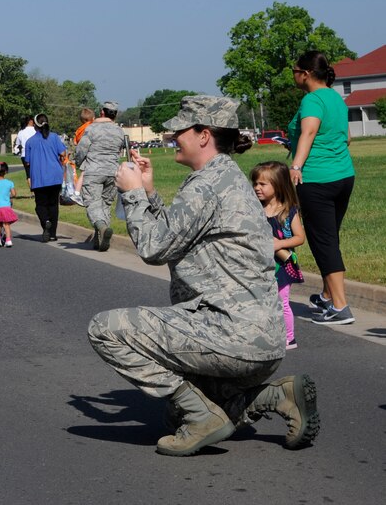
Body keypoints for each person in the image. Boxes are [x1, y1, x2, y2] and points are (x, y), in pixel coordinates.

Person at [88, 95, 319, 457]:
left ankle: (203, 418)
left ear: (203, 135)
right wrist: (149, 192)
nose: (171, 137)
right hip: (259, 341)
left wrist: (132, 195)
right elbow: (180, 234)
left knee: (105, 330)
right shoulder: (223, 178)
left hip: (230, 335)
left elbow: (154, 247)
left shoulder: (206, 184)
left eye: (179, 130)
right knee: (171, 415)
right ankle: (272, 396)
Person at [287, 50, 356, 325]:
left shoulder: (312, 99)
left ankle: (341, 307)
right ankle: (328, 297)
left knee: (323, 241)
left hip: (316, 179)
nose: (293, 74)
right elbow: (347, 138)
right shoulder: (336, 98)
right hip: (343, 176)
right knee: (330, 237)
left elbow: (309, 132)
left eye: (294, 69)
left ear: (305, 73)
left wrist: (296, 166)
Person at [251, 161, 305, 350]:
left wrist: (279, 244)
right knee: (259, 301)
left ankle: (289, 338)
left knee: (281, 301)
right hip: (258, 264)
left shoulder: (288, 211)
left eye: (262, 184)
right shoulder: (254, 209)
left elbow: (300, 238)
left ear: (278, 185)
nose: (257, 188)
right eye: (255, 183)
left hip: (282, 264)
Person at [73, 101, 126, 251]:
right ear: (115, 114)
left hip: (94, 171)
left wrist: (78, 163)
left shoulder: (92, 129)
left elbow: (81, 149)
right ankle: (99, 239)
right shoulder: (119, 131)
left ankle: (102, 227)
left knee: (93, 203)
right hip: (113, 172)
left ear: (102, 112)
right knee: (105, 205)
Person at [24, 113, 67, 242]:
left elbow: (27, 161)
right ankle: (53, 233)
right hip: (55, 176)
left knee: (40, 205)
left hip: (39, 178)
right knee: (53, 205)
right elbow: (63, 153)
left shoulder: (30, 141)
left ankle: (45, 222)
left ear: (35, 125)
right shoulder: (54, 137)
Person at [70, 107, 95, 206]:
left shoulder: (79, 130)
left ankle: (79, 192)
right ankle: (76, 193)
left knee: (84, 174)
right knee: (85, 174)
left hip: (83, 154)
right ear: (92, 119)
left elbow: (76, 142)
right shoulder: (91, 127)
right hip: (91, 153)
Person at [0, 162, 18, 248]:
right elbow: (14, 194)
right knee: (6, 224)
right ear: (5, 172)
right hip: (6, 207)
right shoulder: (9, 183)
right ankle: (8, 240)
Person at [14, 116, 36, 186]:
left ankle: (32, 190)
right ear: (32, 121)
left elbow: (18, 143)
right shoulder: (36, 130)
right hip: (36, 154)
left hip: (25, 154)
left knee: (28, 173)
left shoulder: (21, 132)